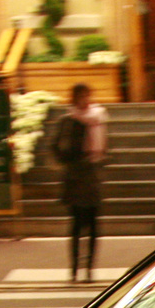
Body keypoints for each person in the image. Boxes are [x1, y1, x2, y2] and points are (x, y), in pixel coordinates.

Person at [51, 82, 107, 282]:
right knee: (76, 225)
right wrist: (68, 161)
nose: (84, 100)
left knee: (93, 226)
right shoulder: (68, 119)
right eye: (80, 96)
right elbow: (55, 145)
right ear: (74, 98)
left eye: (86, 96)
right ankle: (74, 269)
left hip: (92, 174)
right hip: (75, 176)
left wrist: (99, 160)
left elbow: (105, 146)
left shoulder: (98, 117)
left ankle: (90, 269)